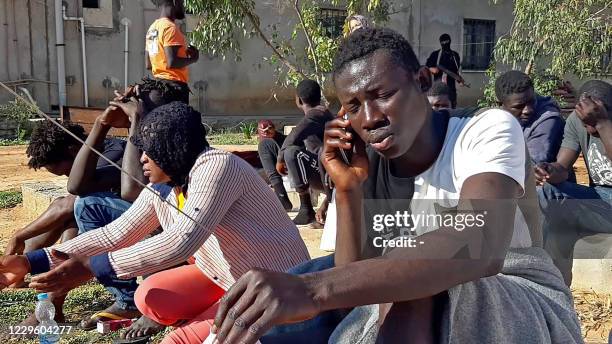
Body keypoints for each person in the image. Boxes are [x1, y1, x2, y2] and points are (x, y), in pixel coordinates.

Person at [209, 28, 582, 344]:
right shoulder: (367, 161)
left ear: (421, 82)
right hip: (420, 310)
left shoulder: (486, 130)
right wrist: (348, 190)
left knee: (409, 278)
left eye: (382, 95)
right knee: (292, 305)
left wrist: (312, 291)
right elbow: (355, 282)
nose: (369, 119)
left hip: (523, 302)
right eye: (353, 107)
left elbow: (478, 243)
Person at [0, 102, 310, 344]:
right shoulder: (168, 182)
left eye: (151, 150)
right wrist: (32, 261)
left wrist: (92, 267)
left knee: (176, 340)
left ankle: (213, 319)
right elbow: (115, 234)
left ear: (173, 147)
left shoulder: (217, 167)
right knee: (148, 296)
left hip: (279, 283)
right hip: (230, 277)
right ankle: (213, 312)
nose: (143, 159)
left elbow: (180, 242)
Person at [536, 80, 612, 285]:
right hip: (599, 198)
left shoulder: (601, 122)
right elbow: (562, 167)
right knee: (547, 193)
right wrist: (549, 171)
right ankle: (552, 282)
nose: (587, 127)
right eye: (584, 120)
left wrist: (602, 124)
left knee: (561, 218)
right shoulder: (576, 120)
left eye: (591, 120)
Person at [276, 79, 334, 225]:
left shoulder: (316, 115)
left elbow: (294, 135)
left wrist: (280, 159)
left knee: (292, 153)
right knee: (268, 146)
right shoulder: (320, 113)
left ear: (299, 100)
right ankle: (282, 194)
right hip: (324, 171)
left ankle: (306, 208)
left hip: (328, 173)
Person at [496, 70, 565, 164]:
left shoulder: (548, 119)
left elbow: (531, 164)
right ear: (501, 105)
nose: (528, 110)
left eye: (532, 101)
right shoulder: (495, 118)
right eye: (519, 107)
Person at [145, 0, 198, 104]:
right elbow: (172, 62)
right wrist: (193, 59)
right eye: (183, 3)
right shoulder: (170, 28)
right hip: (173, 91)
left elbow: (148, 64)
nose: (185, 8)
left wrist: (183, 55)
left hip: (157, 90)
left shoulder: (152, 29)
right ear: (175, 2)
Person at [257, 120, 291, 210]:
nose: (267, 132)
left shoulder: (265, 144)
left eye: (269, 129)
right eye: (264, 131)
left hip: (289, 168)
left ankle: (282, 197)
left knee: (264, 145)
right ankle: (281, 197)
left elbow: (273, 172)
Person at [426, 33, 465, 108]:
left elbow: (455, 72)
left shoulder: (454, 55)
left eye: (446, 42)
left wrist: (459, 80)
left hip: (451, 90)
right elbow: (427, 67)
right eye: (443, 42)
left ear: (449, 41)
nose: (445, 44)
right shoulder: (435, 55)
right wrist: (432, 69)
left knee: (451, 111)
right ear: (440, 43)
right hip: (438, 90)